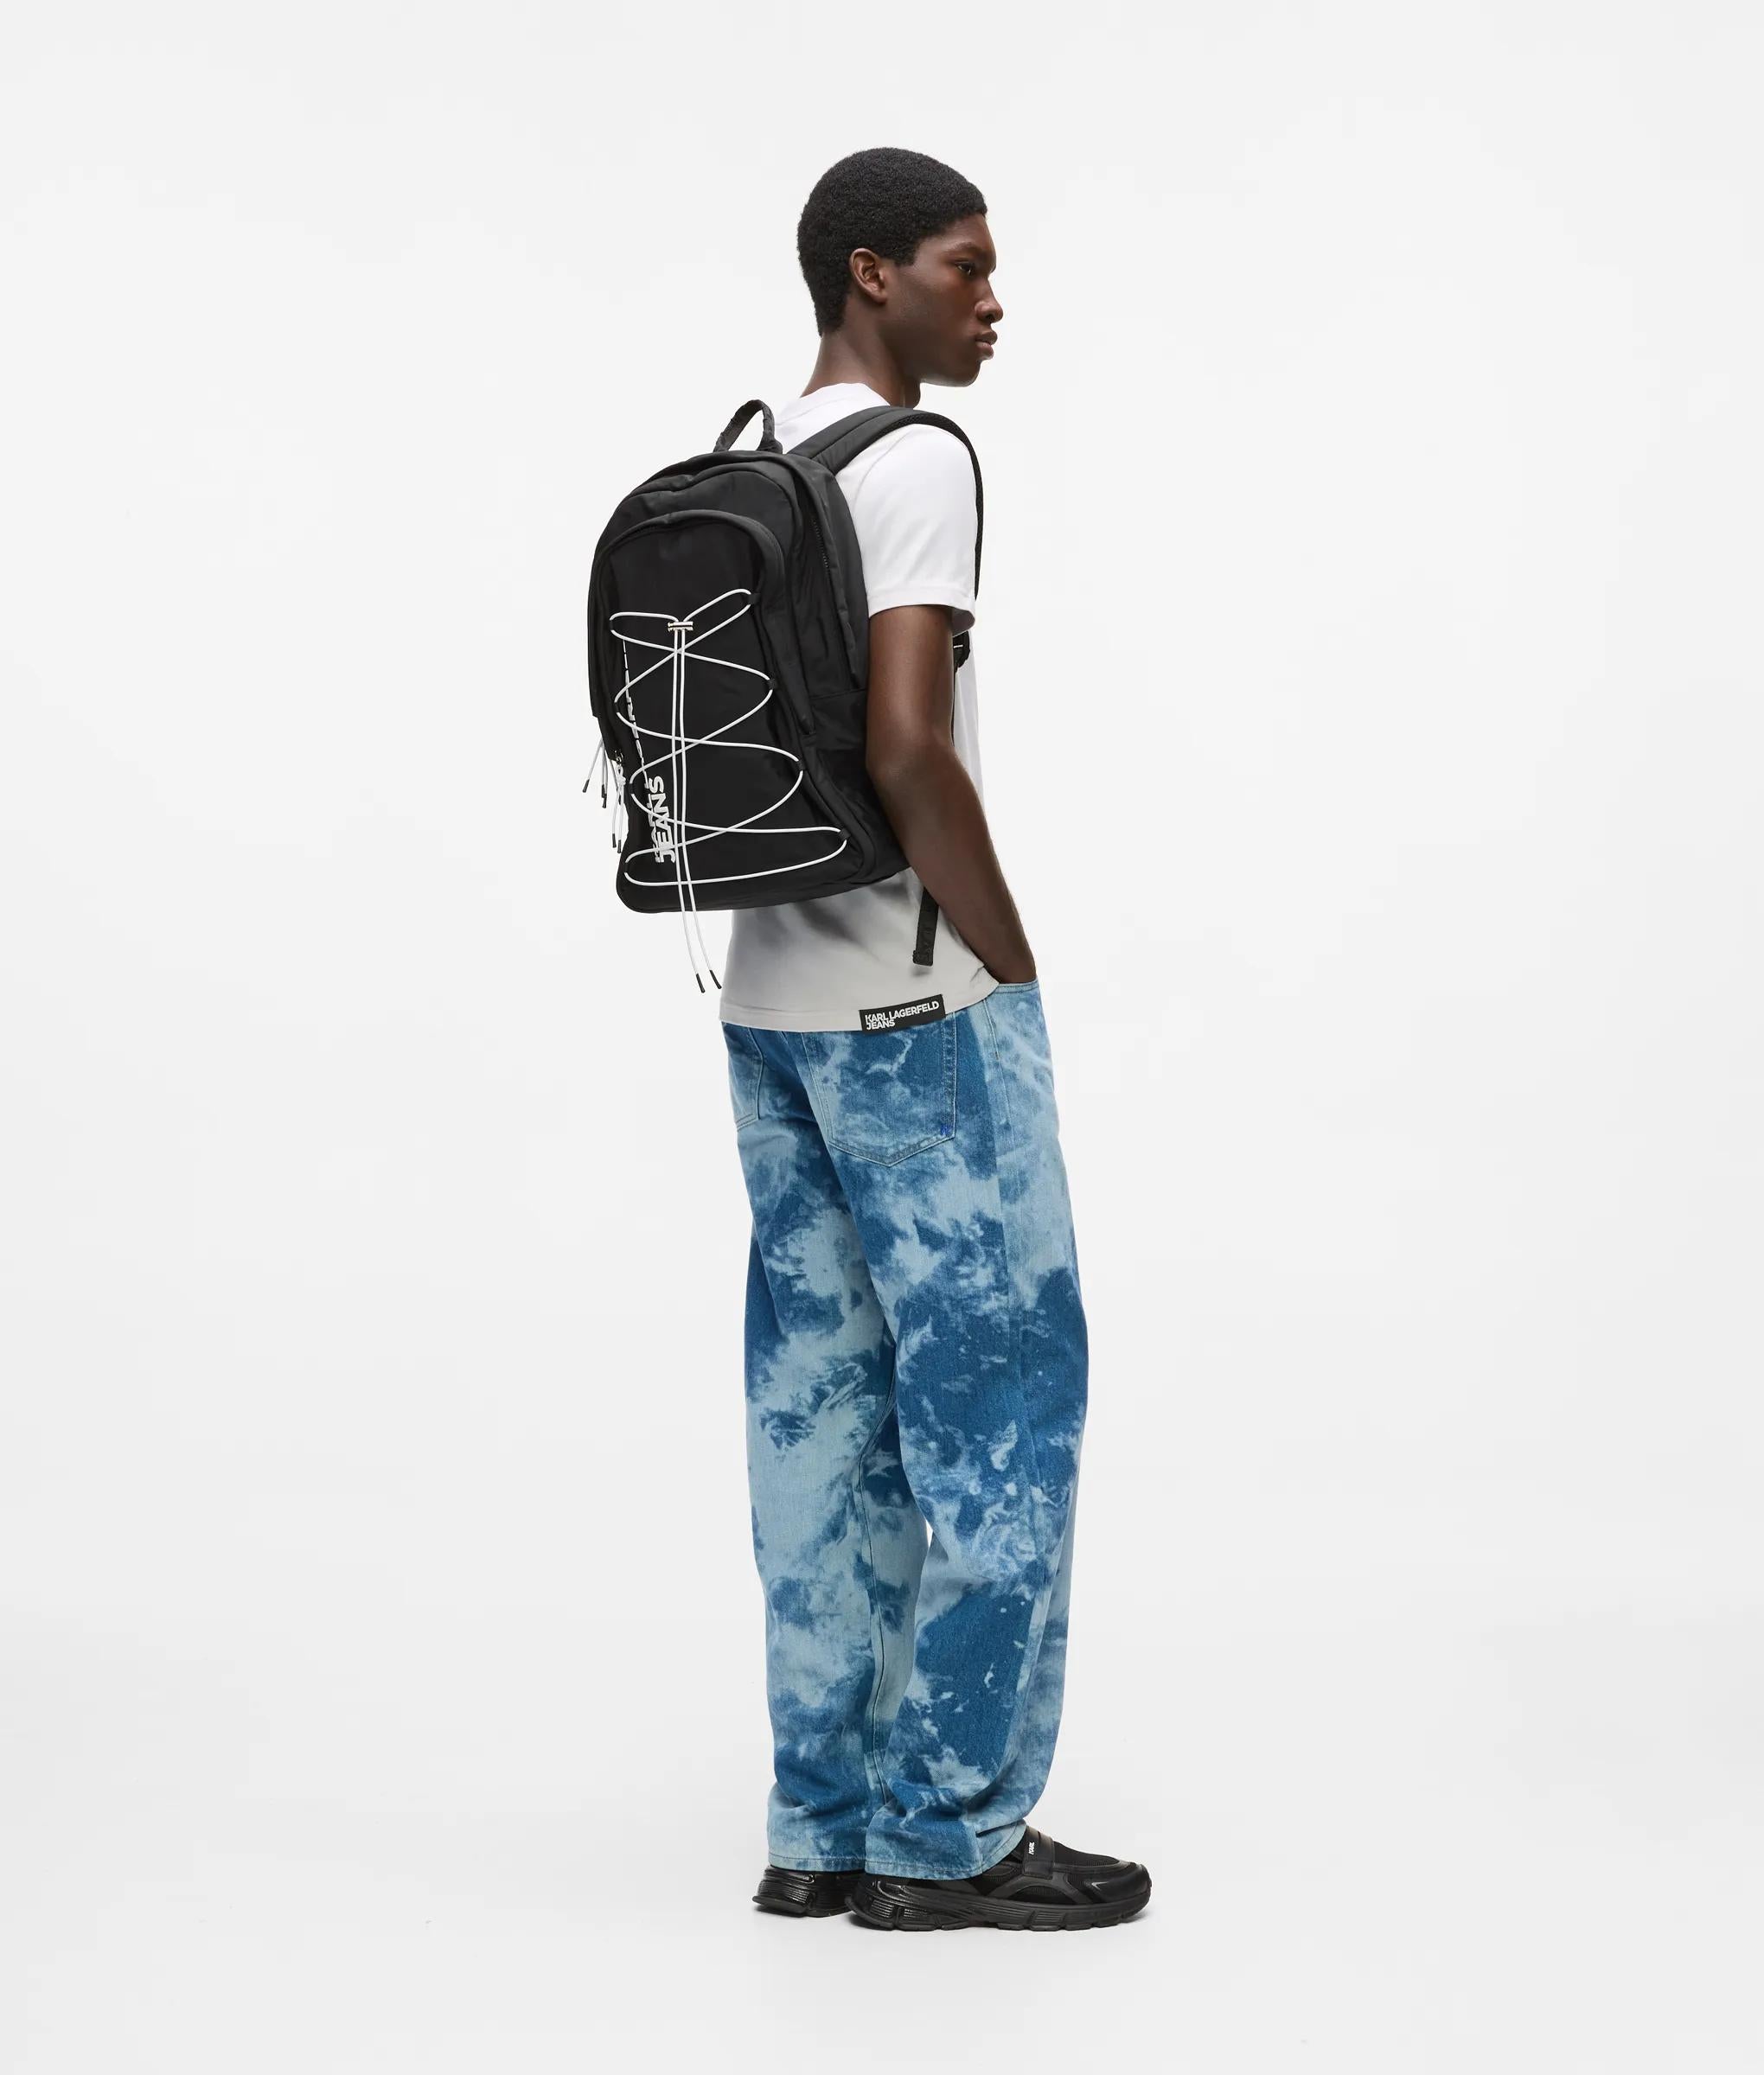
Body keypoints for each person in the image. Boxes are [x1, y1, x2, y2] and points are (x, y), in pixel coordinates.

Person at [717, 147, 1151, 1932]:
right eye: (964, 265)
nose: (992, 299)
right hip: (914, 1015)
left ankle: (818, 1825)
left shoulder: (755, 457)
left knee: (818, 1421)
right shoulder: (917, 461)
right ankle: (951, 1834)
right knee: (999, 1408)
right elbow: (907, 743)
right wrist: (1008, 959)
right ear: (869, 273)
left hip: (768, 1010)